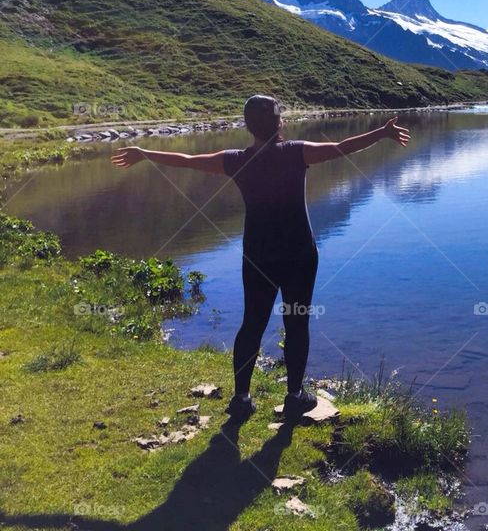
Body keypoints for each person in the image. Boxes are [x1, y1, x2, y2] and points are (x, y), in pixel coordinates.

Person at [111, 95, 410, 420]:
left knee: (252, 323)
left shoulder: (236, 160)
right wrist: (381, 133)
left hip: (258, 254)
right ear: (279, 123)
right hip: (299, 254)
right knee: (296, 322)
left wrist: (144, 153)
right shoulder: (297, 152)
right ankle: (295, 396)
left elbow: (187, 159)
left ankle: (242, 398)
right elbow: (342, 148)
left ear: (248, 125)